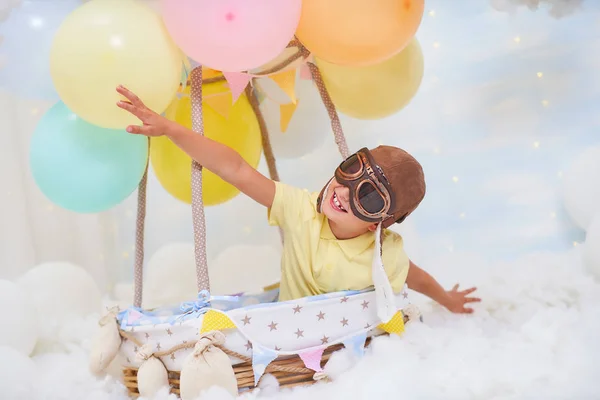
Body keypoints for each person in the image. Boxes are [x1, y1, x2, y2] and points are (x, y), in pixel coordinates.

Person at [115, 85, 480, 319]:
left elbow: (418, 279)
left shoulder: (383, 254)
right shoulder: (301, 209)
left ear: (376, 222)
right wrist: (172, 130)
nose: (343, 191)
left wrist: (447, 299)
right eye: (351, 169)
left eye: (367, 196)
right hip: (284, 327)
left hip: (333, 341)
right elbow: (237, 168)